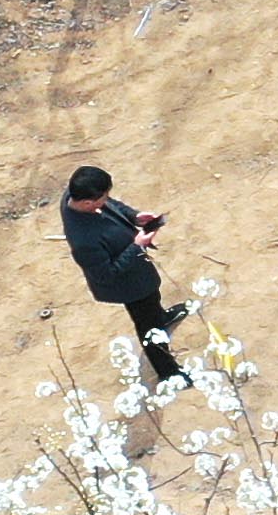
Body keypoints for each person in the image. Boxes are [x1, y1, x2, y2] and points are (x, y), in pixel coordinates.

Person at [61, 164, 193, 389]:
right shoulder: (83, 241)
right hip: (129, 287)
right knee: (148, 327)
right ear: (87, 203)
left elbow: (112, 206)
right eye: (103, 198)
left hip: (140, 275)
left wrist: (134, 216)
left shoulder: (76, 197)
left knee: (154, 305)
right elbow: (106, 275)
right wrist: (137, 246)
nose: (107, 200)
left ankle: (162, 318)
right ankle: (168, 372)